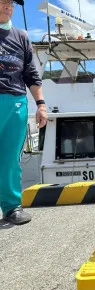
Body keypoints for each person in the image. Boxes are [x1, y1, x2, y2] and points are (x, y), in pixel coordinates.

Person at [0, 0, 47, 225]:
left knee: (10, 159)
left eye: (10, 3)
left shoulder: (22, 36)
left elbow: (30, 73)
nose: (7, 6)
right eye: (2, 2)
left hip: (16, 102)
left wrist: (41, 104)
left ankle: (11, 207)